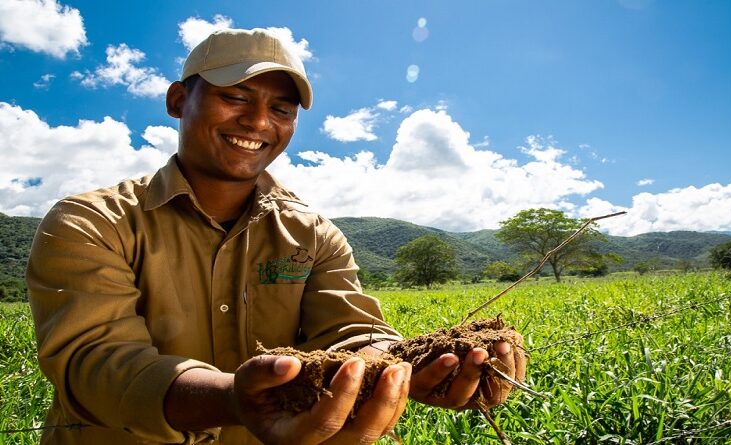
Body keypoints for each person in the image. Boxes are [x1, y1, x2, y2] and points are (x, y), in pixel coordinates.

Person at [26, 28, 525, 444]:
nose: (258, 121)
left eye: (281, 110)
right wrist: (231, 399)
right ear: (179, 100)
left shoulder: (313, 234)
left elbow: (350, 332)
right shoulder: (90, 222)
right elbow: (94, 363)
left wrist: (408, 365)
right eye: (234, 97)